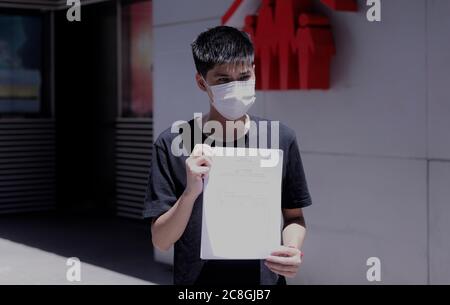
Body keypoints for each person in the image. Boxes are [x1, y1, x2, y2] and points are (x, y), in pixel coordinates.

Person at [143, 25, 312, 285]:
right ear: (202, 82)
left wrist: (291, 250)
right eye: (222, 80)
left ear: (254, 71)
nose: (235, 87)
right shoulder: (174, 142)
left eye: (244, 76)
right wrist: (190, 193)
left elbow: (294, 216)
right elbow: (162, 240)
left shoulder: (280, 138)